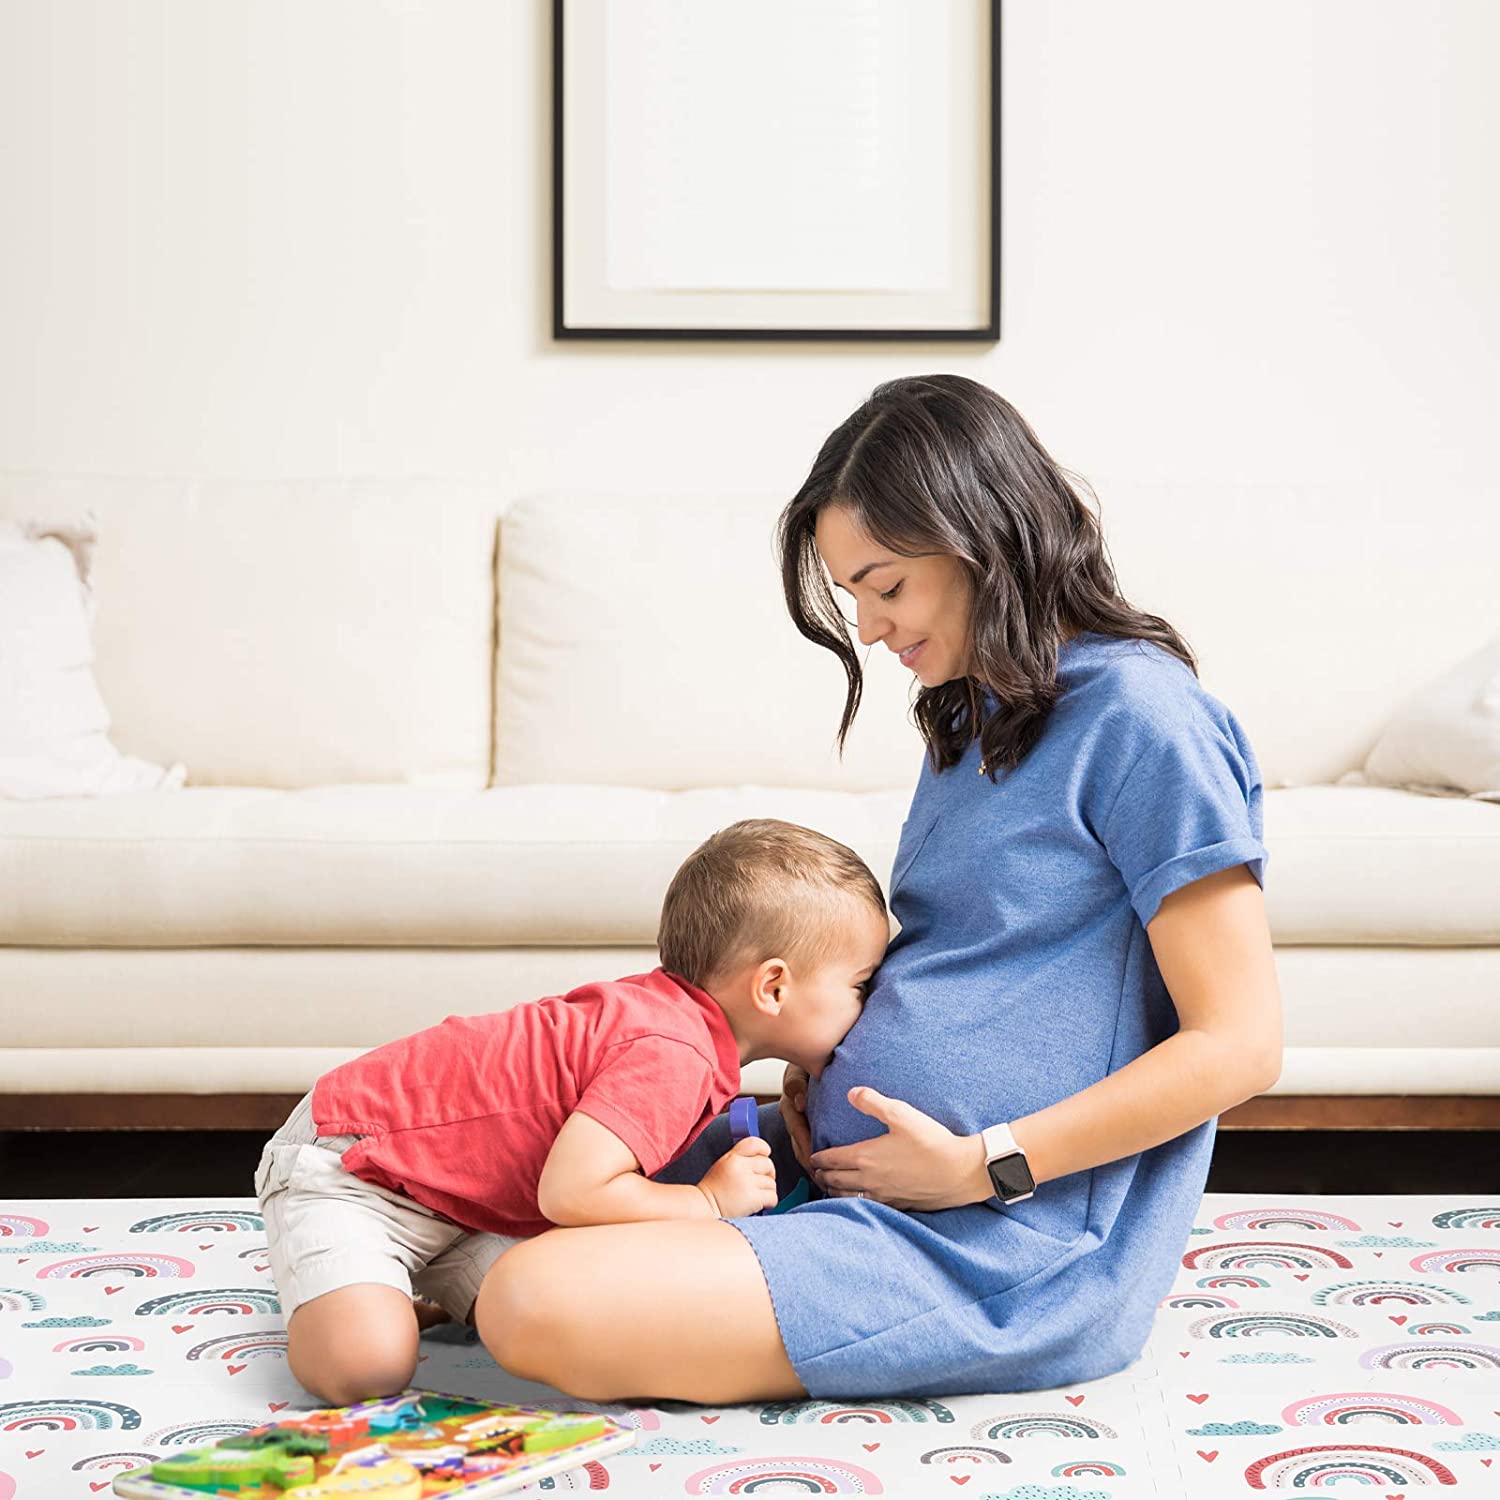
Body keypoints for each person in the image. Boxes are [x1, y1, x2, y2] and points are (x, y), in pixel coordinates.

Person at [465, 373, 1282, 1404]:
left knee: (529, 1299)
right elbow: (968, 958)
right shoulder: (977, 716)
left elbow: (1241, 1043)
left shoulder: (1145, 720)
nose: (867, 627)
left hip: (992, 1244)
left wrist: (990, 1163)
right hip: (855, 1177)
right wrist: (821, 1069)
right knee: (524, 1142)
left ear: (985, 540)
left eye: (886, 586)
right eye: (853, 594)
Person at [253, 817, 891, 1406]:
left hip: (470, 1203)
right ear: (773, 987)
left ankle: (405, 1280)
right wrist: (708, 1203)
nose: (872, 1005)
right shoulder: (672, 1052)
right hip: (359, 1164)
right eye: (861, 985)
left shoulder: (683, 1037)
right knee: (367, 1366)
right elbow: (571, 1192)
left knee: (580, 1313)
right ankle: (337, 1287)